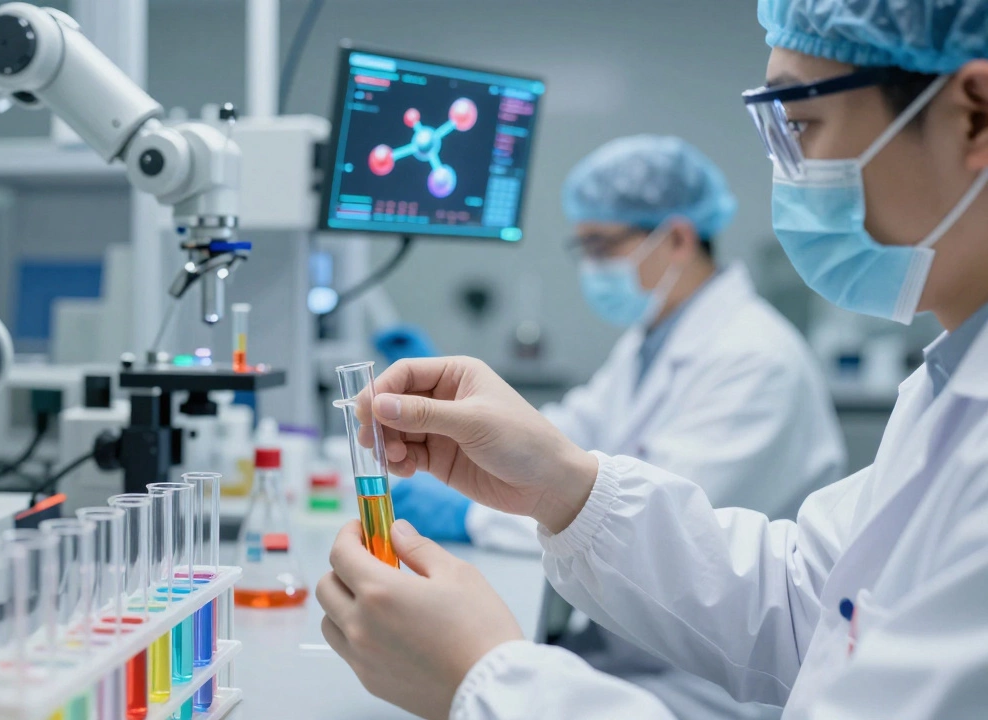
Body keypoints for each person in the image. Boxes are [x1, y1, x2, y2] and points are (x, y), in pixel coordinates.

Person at [316, 1, 988, 718]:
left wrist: (487, 679)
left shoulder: (761, 359)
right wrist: (564, 488)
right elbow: (804, 602)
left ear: (973, 116)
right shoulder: (950, 390)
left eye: (798, 125)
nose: (785, 171)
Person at [394, 135, 844, 557]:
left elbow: (657, 525)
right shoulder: (652, 339)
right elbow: (569, 435)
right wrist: (464, 430)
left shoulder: (755, 360)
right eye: (584, 247)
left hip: (714, 635)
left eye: (602, 245)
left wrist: (473, 518)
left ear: (678, 239)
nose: (590, 265)